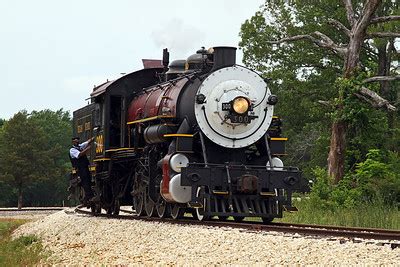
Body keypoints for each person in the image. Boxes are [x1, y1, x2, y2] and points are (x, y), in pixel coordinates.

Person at [69, 136, 95, 204]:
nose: (77, 142)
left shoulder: (80, 146)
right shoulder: (72, 150)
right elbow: (79, 155)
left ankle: (88, 196)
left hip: (85, 166)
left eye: (78, 141)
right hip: (79, 168)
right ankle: (90, 196)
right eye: (76, 141)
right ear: (73, 142)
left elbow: (88, 142)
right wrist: (88, 149)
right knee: (85, 181)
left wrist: (93, 138)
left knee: (89, 180)